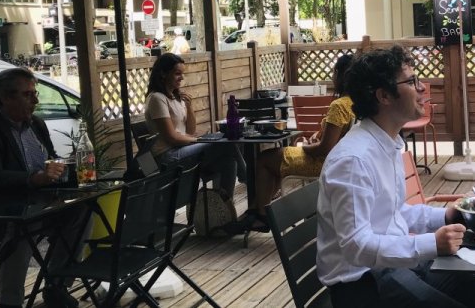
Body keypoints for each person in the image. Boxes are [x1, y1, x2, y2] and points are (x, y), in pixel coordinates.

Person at [316, 46, 475, 308]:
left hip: (396, 263)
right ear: (384, 95)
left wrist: (447, 215)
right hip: (361, 283)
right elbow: (355, 246)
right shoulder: (353, 160)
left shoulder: (386, 143)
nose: (422, 88)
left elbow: (394, 214)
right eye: (411, 81)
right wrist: (433, 243)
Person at [0, 68, 84, 308]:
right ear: (6, 98)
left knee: (83, 212)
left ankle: (57, 285)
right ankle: (10, 302)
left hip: (40, 201)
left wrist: (63, 167)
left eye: (35, 93)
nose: (36, 100)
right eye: (28, 95)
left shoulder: (36, 123)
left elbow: (50, 159)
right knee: (23, 227)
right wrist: (32, 179)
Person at [245, 54, 355, 232]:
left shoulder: (339, 105)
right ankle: (259, 210)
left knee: (265, 159)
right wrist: (317, 136)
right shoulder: (356, 103)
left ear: (340, 74)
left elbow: (324, 149)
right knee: (275, 161)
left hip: (323, 163)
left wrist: (306, 147)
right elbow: (334, 138)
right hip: (339, 162)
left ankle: (262, 216)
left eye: (334, 71)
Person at [145, 53, 246, 200]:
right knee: (224, 141)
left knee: (228, 162)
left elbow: (190, 130)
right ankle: (247, 178)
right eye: (177, 74)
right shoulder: (156, 98)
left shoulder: (175, 97)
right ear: (163, 73)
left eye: (182, 74)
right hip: (167, 157)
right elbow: (172, 137)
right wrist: (198, 140)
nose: (182, 78)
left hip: (182, 150)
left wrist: (189, 107)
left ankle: (224, 213)